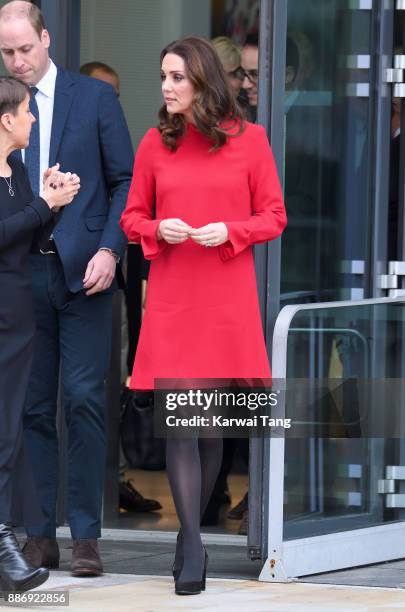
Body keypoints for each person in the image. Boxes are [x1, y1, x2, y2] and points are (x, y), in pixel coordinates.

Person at [120, 36, 286, 596]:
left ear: (203, 81)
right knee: (183, 424)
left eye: (176, 78)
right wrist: (155, 229)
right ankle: (192, 539)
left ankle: (191, 529)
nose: (166, 87)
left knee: (210, 428)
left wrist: (232, 231)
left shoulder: (251, 141)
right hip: (173, 296)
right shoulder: (153, 143)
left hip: (225, 298)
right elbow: (132, 217)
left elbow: (274, 215)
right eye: (163, 76)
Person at [0, 1, 133, 577]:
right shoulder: (4, 105)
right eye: (6, 52)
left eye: (24, 49)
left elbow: (125, 181)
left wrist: (110, 249)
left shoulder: (95, 98)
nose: (17, 61)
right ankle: (38, 535)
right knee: (29, 407)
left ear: (47, 39)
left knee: (83, 401)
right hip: (22, 274)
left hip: (85, 274)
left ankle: (85, 536)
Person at [0, 76, 80, 592]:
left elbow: (29, 239)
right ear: (6, 119)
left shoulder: (16, 171)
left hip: (18, 324)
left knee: (9, 436)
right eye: (27, 112)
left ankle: (5, 544)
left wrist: (55, 204)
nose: (33, 119)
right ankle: (5, 548)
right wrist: (41, 207)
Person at [79, 60, 162, 515]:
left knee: (115, 380)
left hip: (117, 274)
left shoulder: (126, 148)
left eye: (114, 95)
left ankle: (115, 478)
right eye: (98, 92)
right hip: (66, 275)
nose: (105, 103)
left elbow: (132, 201)